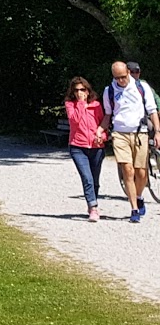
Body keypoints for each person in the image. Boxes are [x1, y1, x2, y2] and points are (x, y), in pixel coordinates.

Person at [102, 60, 158, 223]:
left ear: (128, 72)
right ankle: (134, 208)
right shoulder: (109, 91)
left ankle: (139, 196)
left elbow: (152, 110)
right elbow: (108, 114)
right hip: (120, 133)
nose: (121, 81)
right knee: (128, 170)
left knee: (141, 173)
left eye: (123, 77)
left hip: (140, 132)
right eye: (117, 78)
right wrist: (101, 129)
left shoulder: (141, 87)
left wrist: (158, 132)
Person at [63, 76, 107, 221]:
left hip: (96, 146)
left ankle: (92, 203)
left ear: (88, 90)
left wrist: (103, 136)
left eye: (82, 89)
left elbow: (103, 123)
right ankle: (93, 208)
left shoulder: (96, 105)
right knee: (86, 178)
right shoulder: (70, 104)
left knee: (94, 180)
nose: (79, 92)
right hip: (78, 146)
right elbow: (74, 120)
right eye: (76, 90)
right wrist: (81, 103)